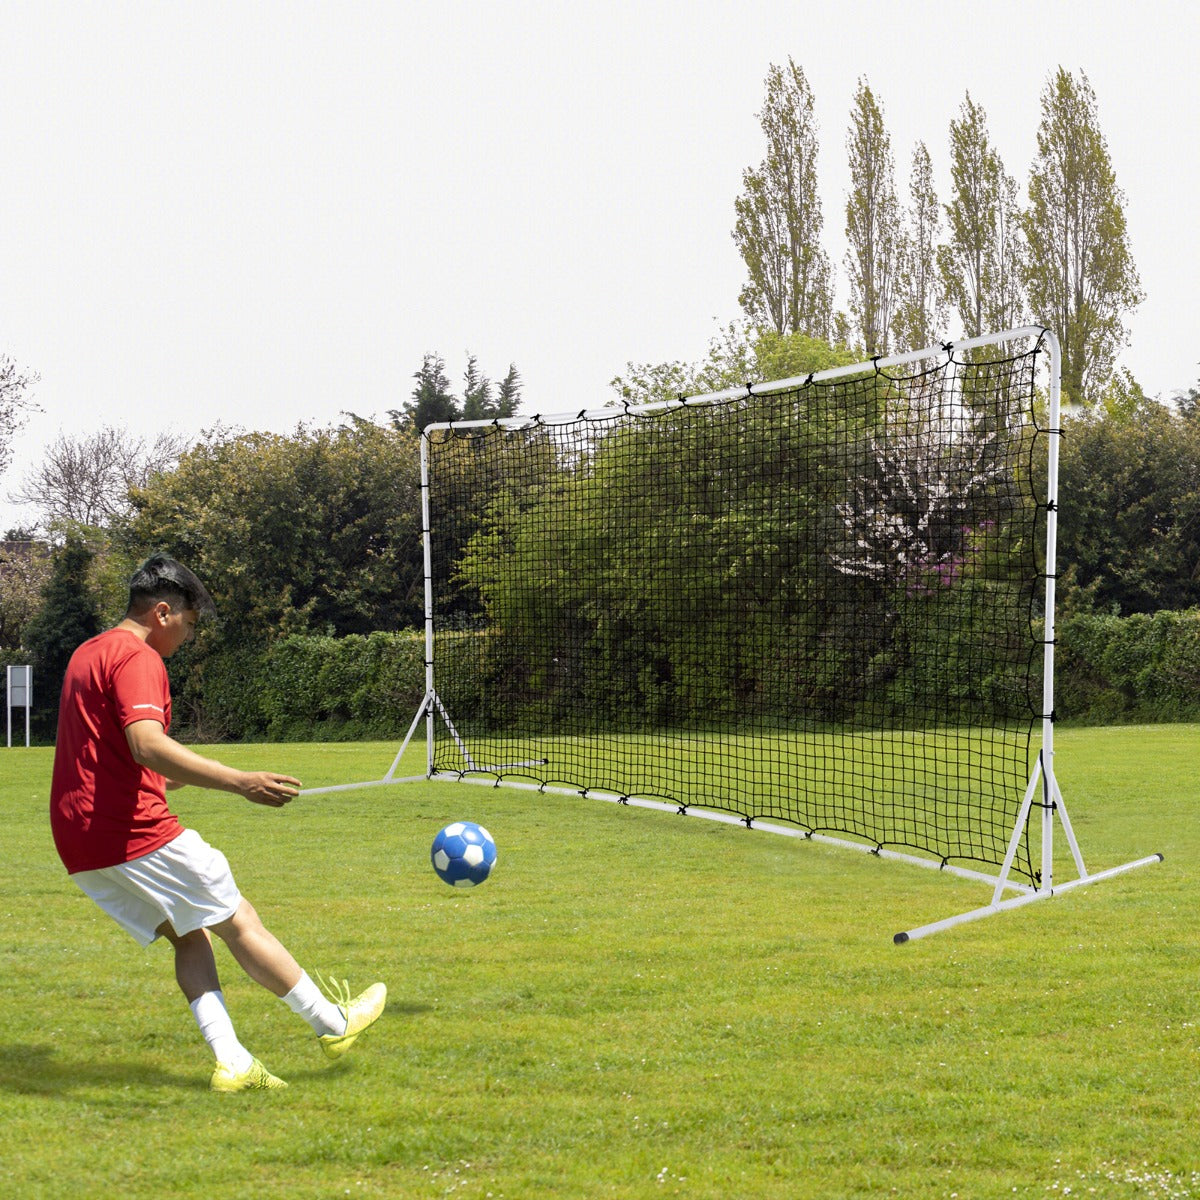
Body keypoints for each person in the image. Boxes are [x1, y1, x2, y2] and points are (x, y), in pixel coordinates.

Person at [50, 553, 386, 1092]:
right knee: (239, 919)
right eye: (188, 623)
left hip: (80, 844)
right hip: (130, 832)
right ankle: (334, 1024)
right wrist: (239, 781)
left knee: (190, 935)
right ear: (163, 612)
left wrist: (173, 779)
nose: (187, 636)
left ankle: (233, 1062)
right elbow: (147, 744)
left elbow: (109, 757)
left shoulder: (88, 653)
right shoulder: (139, 659)